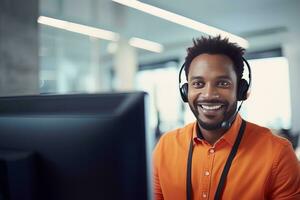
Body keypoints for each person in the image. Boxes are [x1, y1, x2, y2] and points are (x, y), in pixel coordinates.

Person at [153, 36, 300, 200]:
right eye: (198, 84)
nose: (208, 95)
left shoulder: (278, 153)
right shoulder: (165, 147)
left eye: (222, 83)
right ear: (186, 91)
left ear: (241, 90)